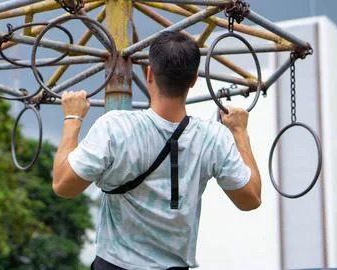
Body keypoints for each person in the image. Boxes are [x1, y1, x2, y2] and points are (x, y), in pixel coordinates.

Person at [52, 31, 262, 269]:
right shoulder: (213, 138)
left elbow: (63, 185)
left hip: (115, 264)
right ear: (193, 79)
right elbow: (251, 199)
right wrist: (240, 133)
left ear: (150, 73)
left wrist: (72, 118)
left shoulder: (115, 128)